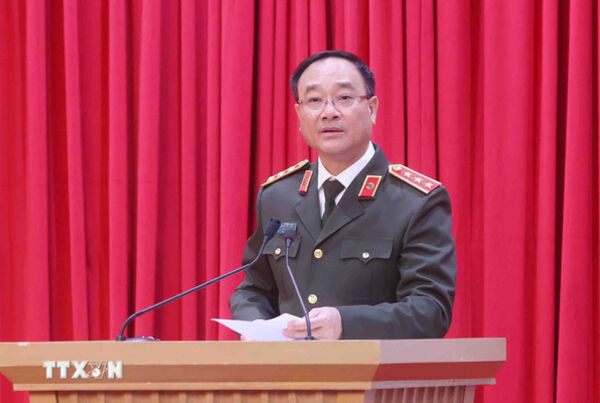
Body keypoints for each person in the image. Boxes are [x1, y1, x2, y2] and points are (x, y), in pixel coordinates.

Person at [229, 50, 456, 339]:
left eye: (344, 98)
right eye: (314, 100)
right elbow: (253, 288)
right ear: (299, 114)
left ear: (372, 108)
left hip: (371, 367)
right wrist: (254, 324)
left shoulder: (414, 201)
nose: (329, 112)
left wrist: (345, 324)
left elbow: (431, 310)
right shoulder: (278, 196)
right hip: (286, 367)